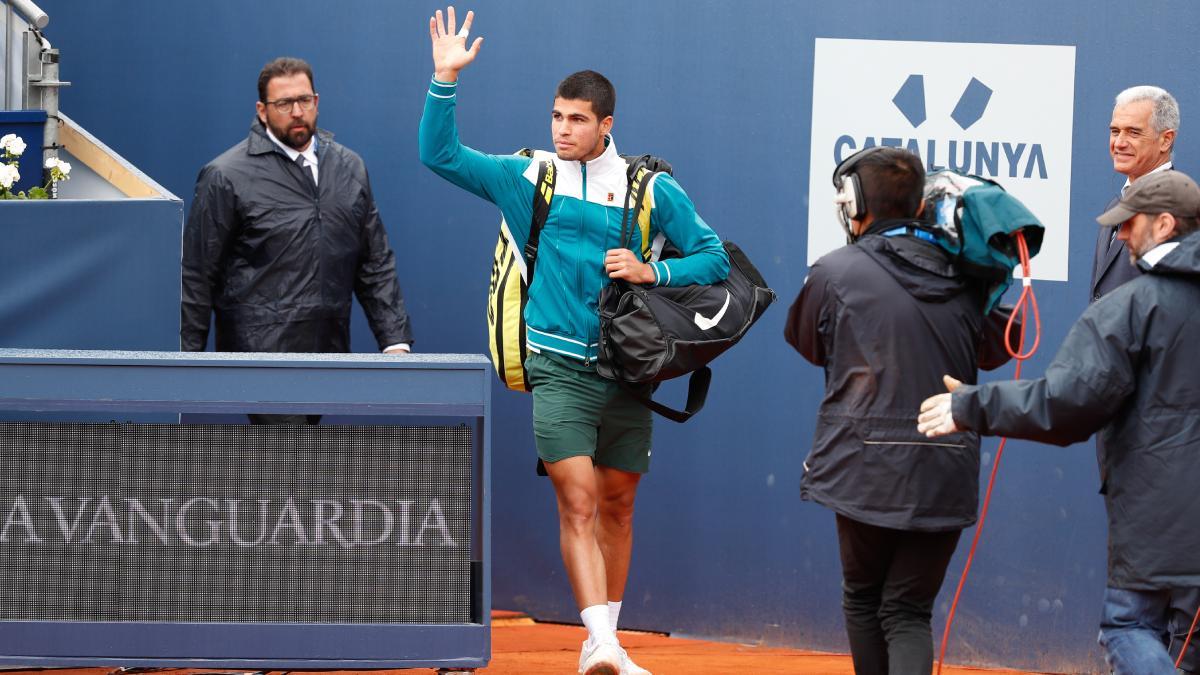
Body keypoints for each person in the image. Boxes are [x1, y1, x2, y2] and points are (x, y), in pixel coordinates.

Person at [419, 8, 728, 674]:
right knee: (578, 498)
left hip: (628, 374)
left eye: (578, 119)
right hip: (557, 367)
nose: (563, 129)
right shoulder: (529, 177)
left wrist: (655, 269)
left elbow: (713, 258)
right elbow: (438, 154)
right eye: (557, 116)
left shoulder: (649, 188)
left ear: (605, 124)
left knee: (618, 503)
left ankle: (601, 640)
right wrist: (445, 80)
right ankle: (605, 642)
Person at [918, 170, 1200, 675]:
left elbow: (1067, 403)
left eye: (1129, 224)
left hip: (1161, 519)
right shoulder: (1131, 304)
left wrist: (970, 407)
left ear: (1162, 224)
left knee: (1128, 629)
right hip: (1166, 520)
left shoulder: (1131, 306)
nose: (1119, 235)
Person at [785, 146, 1016, 675]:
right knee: (909, 611)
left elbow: (807, 342)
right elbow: (1001, 346)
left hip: (861, 467)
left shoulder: (834, 271)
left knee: (865, 598)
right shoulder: (969, 277)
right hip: (943, 465)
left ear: (855, 204)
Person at [181, 57, 413, 423]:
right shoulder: (225, 176)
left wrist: (394, 341)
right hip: (259, 361)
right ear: (262, 111)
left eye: (304, 100)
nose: (296, 111)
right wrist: (185, 364)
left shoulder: (349, 168)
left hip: (331, 355)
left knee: (322, 473)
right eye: (284, 104)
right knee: (276, 473)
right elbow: (196, 275)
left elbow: (375, 262)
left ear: (317, 102)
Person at [1091, 86, 1179, 302]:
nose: (1119, 143)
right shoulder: (1114, 206)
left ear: (1166, 140)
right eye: (1115, 131)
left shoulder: (1176, 210)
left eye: (1133, 132)